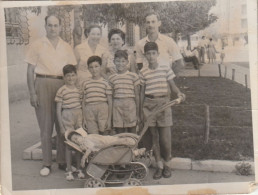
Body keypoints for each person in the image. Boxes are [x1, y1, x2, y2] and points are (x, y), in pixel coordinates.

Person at [25, 15, 77, 176]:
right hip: (42, 83)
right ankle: (47, 163)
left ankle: (62, 161)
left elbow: (72, 70)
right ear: (45, 26)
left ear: (60, 27)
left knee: (63, 123)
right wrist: (32, 93)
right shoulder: (37, 44)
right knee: (46, 125)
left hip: (62, 84)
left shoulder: (66, 46)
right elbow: (30, 70)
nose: (53, 28)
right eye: (50, 25)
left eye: (56, 25)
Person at [139, 42, 185, 180]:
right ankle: (159, 166)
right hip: (148, 105)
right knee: (154, 138)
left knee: (165, 139)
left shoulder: (165, 68)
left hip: (163, 104)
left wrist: (179, 93)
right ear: (145, 56)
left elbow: (173, 86)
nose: (151, 56)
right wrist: (140, 111)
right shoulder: (143, 72)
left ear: (158, 54)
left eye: (154, 53)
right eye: (148, 53)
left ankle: (167, 164)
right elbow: (141, 93)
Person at [55, 65, 85, 181]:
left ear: (76, 76)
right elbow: (58, 110)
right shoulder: (62, 90)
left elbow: (82, 105)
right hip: (67, 116)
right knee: (69, 144)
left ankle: (79, 169)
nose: (71, 78)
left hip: (78, 116)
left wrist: (83, 120)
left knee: (79, 143)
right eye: (68, 76)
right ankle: (69, 170)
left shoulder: (79, 89)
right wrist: (61, 126)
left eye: (73, 75)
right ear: (64, 77)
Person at [135, 11, 184, 76]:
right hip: (148, 81)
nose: (150, 25)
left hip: (164, 81)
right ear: (145, 25)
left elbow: (180, 63)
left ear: (159, 23)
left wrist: (169, 77)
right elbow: (139, 64)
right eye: (148, 22)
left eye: (153, 22)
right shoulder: (140, 44)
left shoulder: (168, 41)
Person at [109, 50, 140, 134]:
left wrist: (137, 114)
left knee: (132, 132)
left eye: (123, 61)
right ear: (114, 62)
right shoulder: (112, 78)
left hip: (130, 105)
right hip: (117, 106)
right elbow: (111, 97)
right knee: (120, 134)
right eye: (118, 61)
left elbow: (137, 96)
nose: (120, 64)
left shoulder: (133, 76)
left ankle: (133, 147)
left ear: (127, 62)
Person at [82, 56, 112, 135]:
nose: (94, 69)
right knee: (93, 136)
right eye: (91, 67)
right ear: (88, 69)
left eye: (96, 66)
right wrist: (84, 119)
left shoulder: (105, 83)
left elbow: (110, 102)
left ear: (101, 67)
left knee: (105, 134)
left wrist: (109, 119)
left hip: (103, 109)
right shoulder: (85, 83)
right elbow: (83, 102)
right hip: (89, 110)